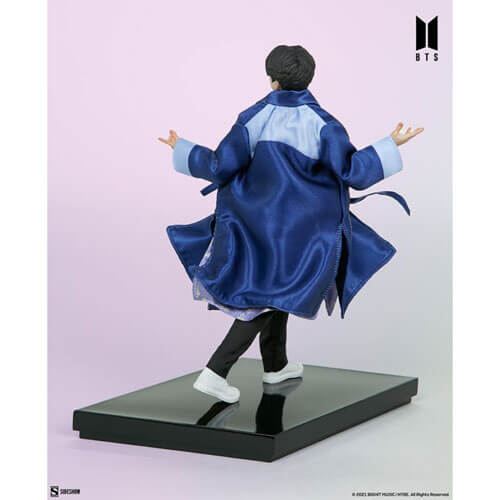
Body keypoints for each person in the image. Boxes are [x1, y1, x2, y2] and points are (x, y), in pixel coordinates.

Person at [158, 45, 423, 403]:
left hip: (255, 223)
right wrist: (390, 144)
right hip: (303, 230)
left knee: (277, 292)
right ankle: (215, 372)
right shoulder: (324, 123)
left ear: (273, 80)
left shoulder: (253, 117)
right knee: (268, 297)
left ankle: (275, 365)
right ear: (309, 78)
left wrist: (184, 149)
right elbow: (351, 171)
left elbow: (221, 164)